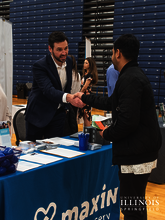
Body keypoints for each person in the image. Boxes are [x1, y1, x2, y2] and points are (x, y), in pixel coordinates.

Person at [74, 34, 162, 220]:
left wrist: (107, 133)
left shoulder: (130, 78)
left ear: (118, 53)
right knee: (134, 205)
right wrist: (84, 97)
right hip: (139, 151)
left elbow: (128, 121)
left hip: (136, 155)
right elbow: (112, 102)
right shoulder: (131, 75)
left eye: (113, 52)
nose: (112, 57)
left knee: (132, 208)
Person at [25, 31, 84, 141]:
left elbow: (66, 86)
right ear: (50, 49)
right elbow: (48, 90)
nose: (64, 53)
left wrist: (65, 108)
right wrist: (69, 98)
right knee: (33, 152)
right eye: (59, 49)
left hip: (58, 115)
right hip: (38, 115)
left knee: (55, 150)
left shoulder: (69, 61)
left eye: (66, 48)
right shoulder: (40, 66)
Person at [78, 57, 98, 127]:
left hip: (86, 97)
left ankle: (88, 132)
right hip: (84, 96)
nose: (84, 64)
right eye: (84, 62)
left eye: (86, 63)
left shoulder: (90, 75)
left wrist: (79, 94)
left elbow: (85, 86)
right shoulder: (85, 74)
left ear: (90, 65)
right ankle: (86, 131)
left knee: (86, 115)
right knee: (84, 114)